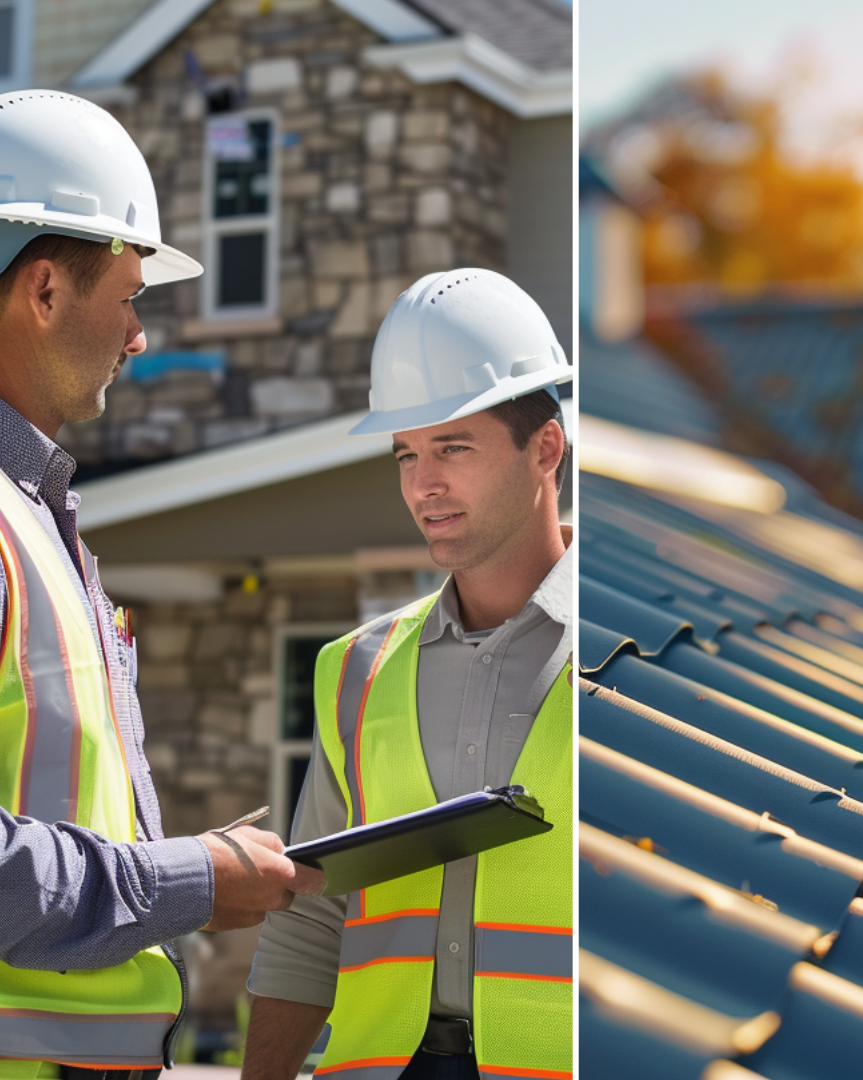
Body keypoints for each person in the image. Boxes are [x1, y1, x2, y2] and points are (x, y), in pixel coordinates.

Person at [0, 91, 322, 1075]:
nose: (140, 334)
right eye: (130, 294)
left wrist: (175, 864)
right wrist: (179, 882)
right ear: (45, 293)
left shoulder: (5, 502)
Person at [242, 269, 572, 1080]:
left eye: (453, 448)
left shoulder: (621, 656)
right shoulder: (354, 670)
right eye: (406, 455)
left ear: (546, 450)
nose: (424, 486)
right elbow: (310, 916)